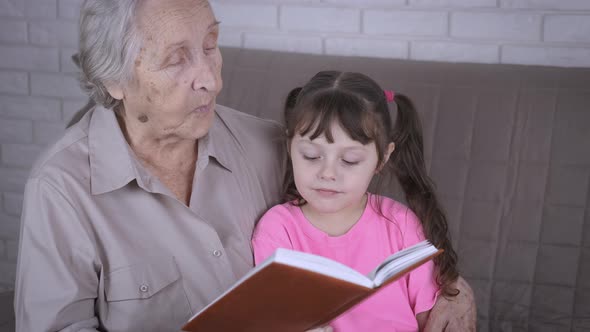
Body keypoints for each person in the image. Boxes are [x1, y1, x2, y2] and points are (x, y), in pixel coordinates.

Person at [14, 0, 475, 331]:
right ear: (115, 79)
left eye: (211, 45)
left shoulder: (268, 144)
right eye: (178, 59)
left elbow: (358, 225)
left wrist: (453, 288)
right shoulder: (61, 189)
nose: (212, 79)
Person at [252, 71, 469, 331]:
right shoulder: (277, 229)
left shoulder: (400, 224)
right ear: (289, 146)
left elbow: (431, 320)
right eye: (311, 155)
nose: (328, 173)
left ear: (382, 158)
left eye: (350, 160)